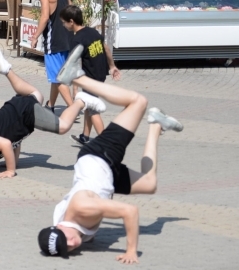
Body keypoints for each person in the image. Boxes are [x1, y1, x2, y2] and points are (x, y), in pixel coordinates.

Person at [37, 45, 183, 263]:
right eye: (66, 248)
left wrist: (131, 250)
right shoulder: (64, 222)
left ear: (59, 227)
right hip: (105, 176)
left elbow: (130, 211)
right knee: (149, 184)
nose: (71, 244)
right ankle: (155, 124)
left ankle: (78, 78)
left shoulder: (82, 207)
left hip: (99, 156)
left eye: (65, 240)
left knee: (138, 102)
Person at [0, 48, 106, 178]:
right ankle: (7, 70)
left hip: (24, 113)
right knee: (37, 95)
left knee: (62, 127)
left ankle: (81, 101)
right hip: (19, 106)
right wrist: (14, 161)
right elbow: (13, 141)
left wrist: (11, 170)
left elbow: (6, 144)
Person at [59, 5, 121, 145]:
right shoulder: (92, 32)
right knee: (89, 104)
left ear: (71, 21)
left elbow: (74, 64)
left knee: (93, 110)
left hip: (90, 78)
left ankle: (105, 144)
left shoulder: (77, 40)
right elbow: (105, 47)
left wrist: (75, 89)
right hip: (100, 74)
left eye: (64, 22)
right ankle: (85, 137)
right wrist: (112, 66)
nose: (63, 25)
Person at [29, 0, 74, 108]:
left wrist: (35, 36)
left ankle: (72, 107)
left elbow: (44, 17)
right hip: (66, 37)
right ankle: (51, 105)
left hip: (53, 39)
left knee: (57, 77)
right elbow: (72, 9)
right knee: (57, 75)